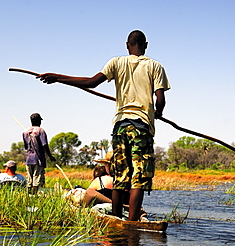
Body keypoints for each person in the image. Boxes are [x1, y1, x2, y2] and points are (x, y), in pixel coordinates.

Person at [37, 30, 170, 221]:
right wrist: (158, 112)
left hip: (121, 126)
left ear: (127, 45)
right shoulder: (155, 66)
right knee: (138, 178)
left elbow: (91, 82)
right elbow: (160, 99)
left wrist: (58, 77)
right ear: (146, 45)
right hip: (141, 127)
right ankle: (131, 223)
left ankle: (116, 220)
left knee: (121, 177)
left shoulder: (116, 62)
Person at [23, 113, 56, 195]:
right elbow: (44, 145)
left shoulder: (25, 132)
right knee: (36, 180)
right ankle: (33, 197)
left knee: (29, 180)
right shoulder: (41, 131)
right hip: (38, 159)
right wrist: (50, 156)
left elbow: (25, 146)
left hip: (29, 159)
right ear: (38, 121)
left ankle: (28, 196)